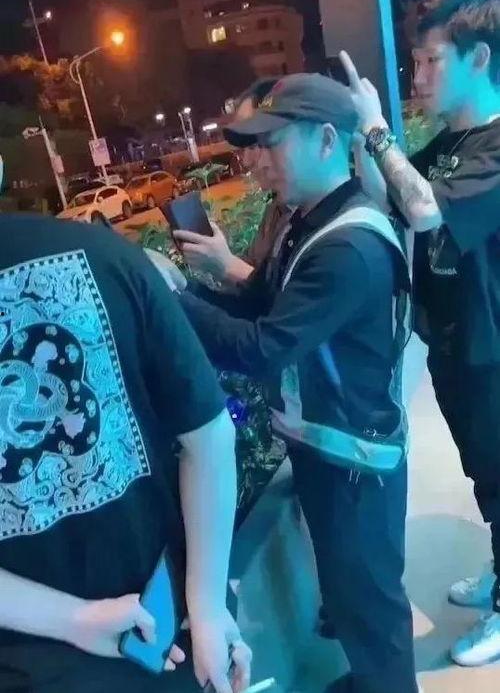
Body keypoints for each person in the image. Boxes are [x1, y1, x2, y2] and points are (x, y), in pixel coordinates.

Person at [157, 73, 418, 693]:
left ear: (326, 140)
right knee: (350, 596)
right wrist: (189, 287)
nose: (258, 161)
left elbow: (263, 349)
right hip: (330, 449)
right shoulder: (310, 222)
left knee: (371, 606)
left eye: (272, 143)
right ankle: (372, 681)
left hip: (355, 463)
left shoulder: (348, 246)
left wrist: (167, 300)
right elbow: (266, 304)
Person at [0, 205, 251, 691]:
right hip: (163, 628)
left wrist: (73, 619)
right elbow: (210, 436)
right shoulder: (106, 256)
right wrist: (207, 606)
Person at [339, 0, 500, 667]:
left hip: (493, 348)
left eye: (432, 60)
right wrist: (361, 142)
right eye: (415, 62)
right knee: (487, 471)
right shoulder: (446, 146)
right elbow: (397, 202)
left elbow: (427, 209)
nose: (420, 76)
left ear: (479, 58)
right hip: (458, 343)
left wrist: (380, 131)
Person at [175, 77, 293, 286]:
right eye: (242, 149)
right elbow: (255, 280)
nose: (247, 161)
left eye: (254, 144)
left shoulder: (325, 222)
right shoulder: (278, 207)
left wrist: (226, 265)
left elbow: (286, 298)